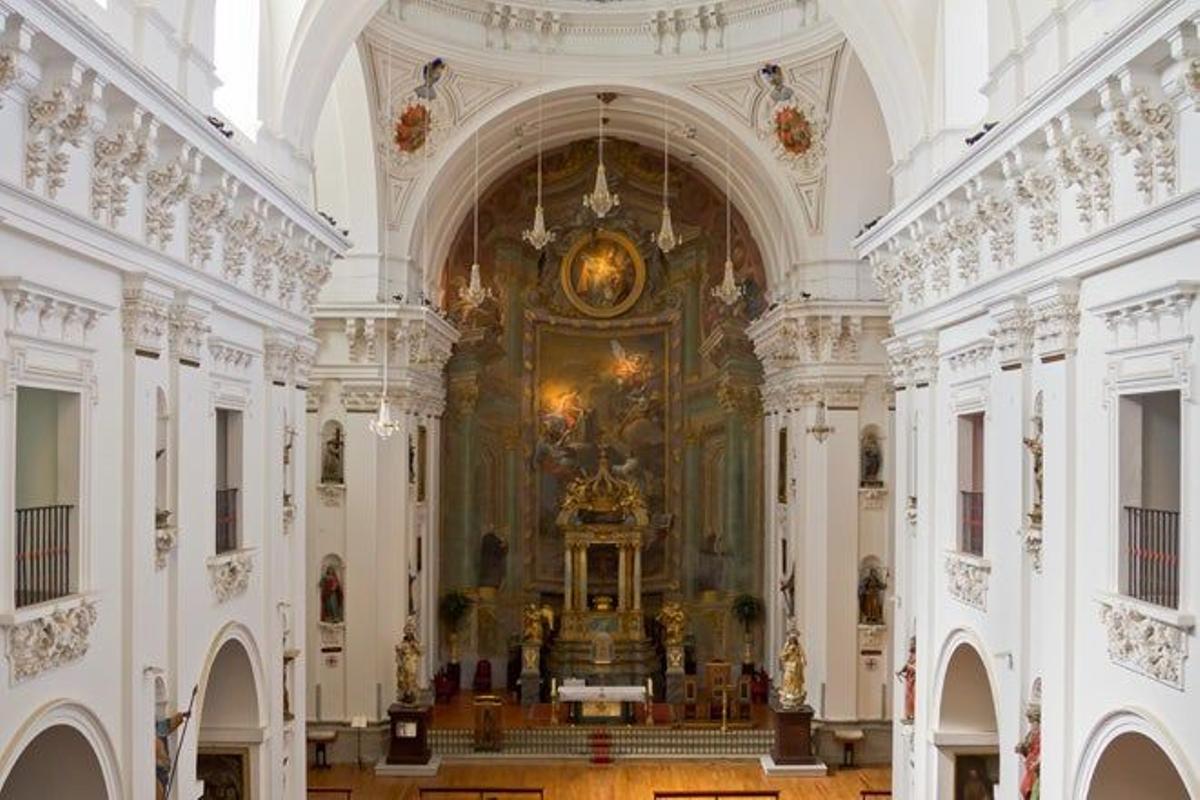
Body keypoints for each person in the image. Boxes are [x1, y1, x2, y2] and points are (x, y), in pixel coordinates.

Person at [155, 709, 190, 800]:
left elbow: (169, 724)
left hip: (163, 769)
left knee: (162, 788)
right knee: (159, 790)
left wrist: (181, 716)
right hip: (157, 770)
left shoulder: (158, 728)